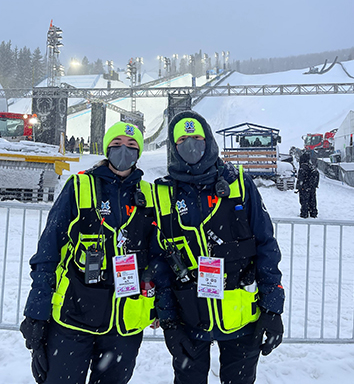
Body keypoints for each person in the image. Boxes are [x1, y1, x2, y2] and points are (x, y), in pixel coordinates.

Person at [20, 121, 158, 384]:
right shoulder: (80, 186)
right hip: (74, 317)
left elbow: (158, 258)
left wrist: (162, 304)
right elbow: (48, 251)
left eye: (131, 146)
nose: (124, 151)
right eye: (117, 145)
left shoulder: (149, 196)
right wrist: (36, 312)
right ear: (107, 148)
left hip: (124, 322)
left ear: (139, 151)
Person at [153, 110, 285, 384]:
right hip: (190, 321)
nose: (191, 145)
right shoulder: (163, 195)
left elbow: (266, 246)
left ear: (209, 141)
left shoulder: (239, 184)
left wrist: (272, 308)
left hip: (241, 321)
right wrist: (168, 322)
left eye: (198, 139)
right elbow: (160, 264)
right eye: (183, 141)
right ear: (173, 148)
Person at [296, 151, 319, 218]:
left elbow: (300, 178)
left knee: (304, 200)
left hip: (305, 187)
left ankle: (304, 213)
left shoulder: (303, 168)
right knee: (312, 200)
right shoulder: (311, 167)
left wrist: (299, 187)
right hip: (312, 187)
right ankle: (313, 212)